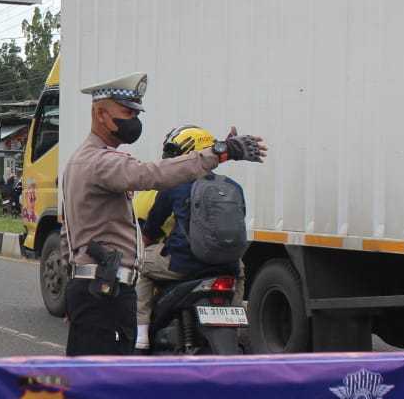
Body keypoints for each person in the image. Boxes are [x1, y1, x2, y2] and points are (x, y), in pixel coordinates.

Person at [60, 72, 266, 356]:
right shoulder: (101, 162)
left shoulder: (78, 161)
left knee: (95, 380)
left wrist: (74, 290)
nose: (134, 120)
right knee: (104, 384)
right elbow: (152, 174)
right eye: (127, 112)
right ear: (100, 114)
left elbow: (66, 233)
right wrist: (218, 153)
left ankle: (145, 337)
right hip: (105, 292)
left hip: (93, 289)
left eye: (136, 113)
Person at [135, 125, 248, 351]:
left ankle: (141, 333)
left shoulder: (174, 185)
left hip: (183, 264)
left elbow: (151, 229)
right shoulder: (232, 186)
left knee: (140, 264)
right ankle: (235, 329)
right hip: (228, 266)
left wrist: (145, 244)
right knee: (241, 273)